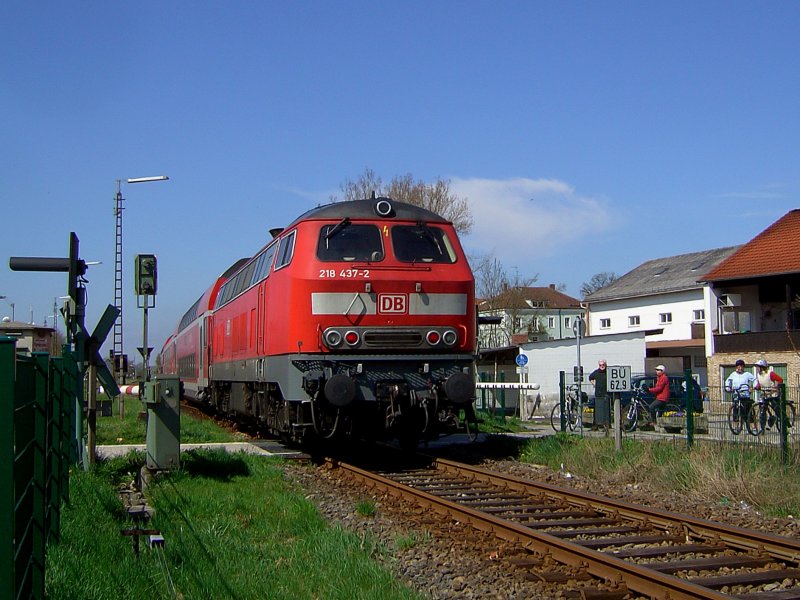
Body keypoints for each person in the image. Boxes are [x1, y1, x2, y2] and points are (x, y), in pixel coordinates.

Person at [588, 359, 609, 429]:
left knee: (606, 410)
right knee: (597, 410)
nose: (602, 366)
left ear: (606, 365)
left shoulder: (608, 372)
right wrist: (594, 384)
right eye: (600, 365)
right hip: (598, 394)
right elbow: (590, 377)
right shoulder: (596, 372)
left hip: (607, 394)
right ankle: (596, 425)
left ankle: (607, 425)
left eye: (603, 365)